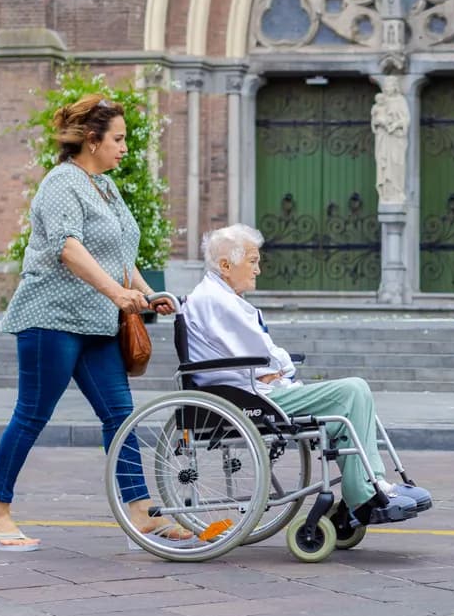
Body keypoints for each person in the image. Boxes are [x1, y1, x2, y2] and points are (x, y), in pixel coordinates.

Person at [0, 94, 179, 550]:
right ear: (92, 140)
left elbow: (121, 252)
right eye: (119, 139)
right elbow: (68, 247)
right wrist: (116, 293)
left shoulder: (105, 186)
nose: (125, 147)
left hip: (98, 324)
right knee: (31, 415)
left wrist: (146, 296)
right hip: (52, 319)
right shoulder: (60, 183)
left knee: (121, 416)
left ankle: (141, 514)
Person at [182, 223, 432, 528]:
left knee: (349, 404)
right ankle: (365, 493)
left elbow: (262, 356)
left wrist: (276, 370)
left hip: (251, 390)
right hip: (247, 397)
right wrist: (280, 369)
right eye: (252, 261)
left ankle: (368, 487)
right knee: (353, 390)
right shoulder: (216, 301)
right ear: (225, 265)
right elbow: (265, 356)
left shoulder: (218, 297)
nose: (258, 269)